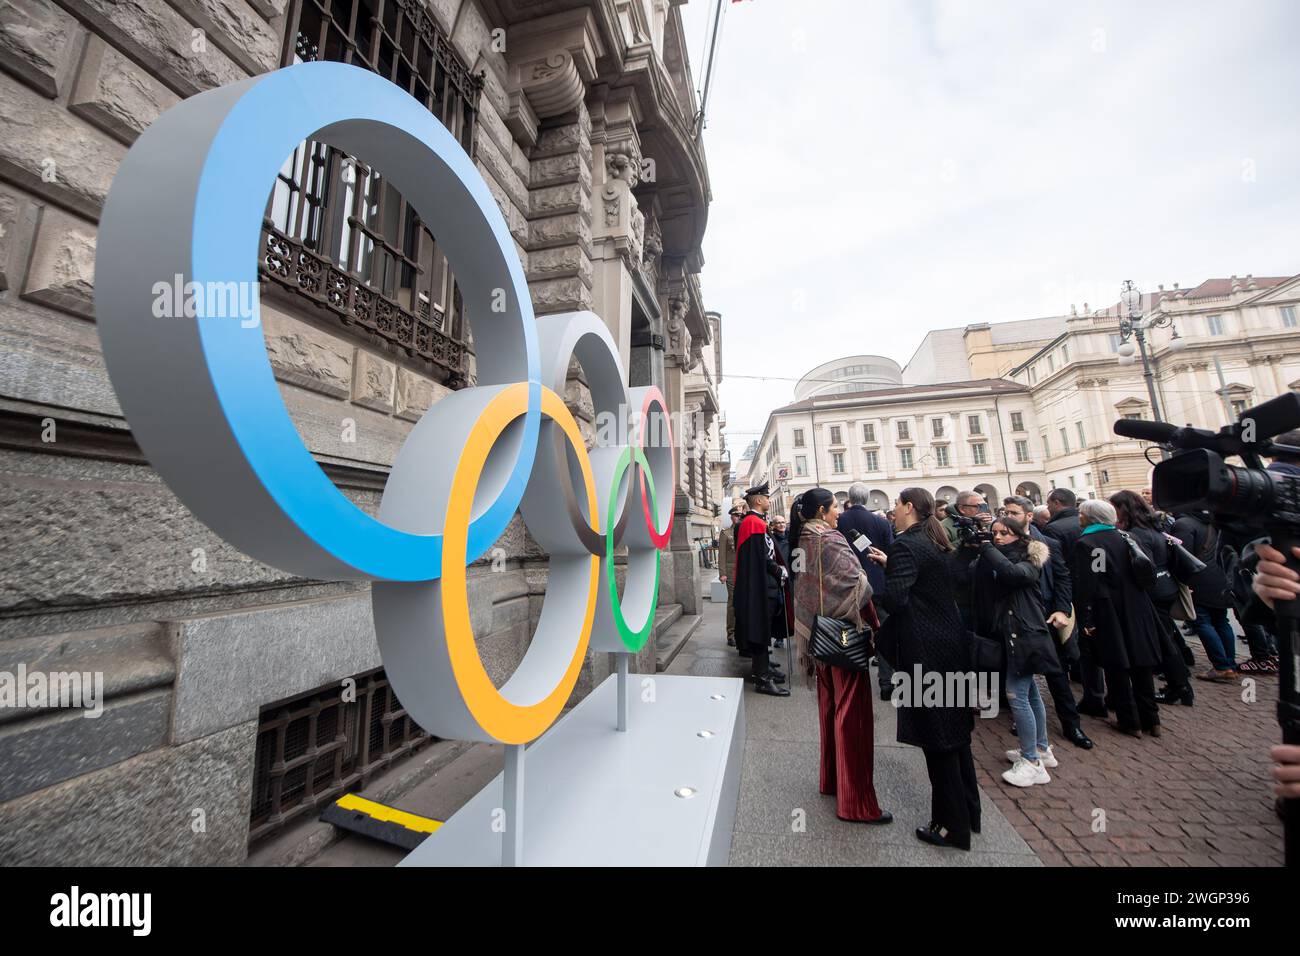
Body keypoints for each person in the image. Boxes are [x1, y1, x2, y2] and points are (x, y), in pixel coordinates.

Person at [867, 487, 976, 850]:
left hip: (926, 649)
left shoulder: (906, 545)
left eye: (896, 505)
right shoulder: (935, 541)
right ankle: (969, 813)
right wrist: (893, 565)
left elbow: (897, 599)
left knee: (937, 740)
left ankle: (949, 827)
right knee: (957, 734)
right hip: (951, 644)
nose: (892, 512)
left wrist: (873, 594)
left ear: (909, 507)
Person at [790, 488, 893, 825]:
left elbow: (806, 585)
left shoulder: (804, 535)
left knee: (831, 709)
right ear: (822, 509)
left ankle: (832, 780)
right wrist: (866, 581)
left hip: (818, 636)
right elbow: (856, 585)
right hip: (844, 635)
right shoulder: (830, 538)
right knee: (852, 718)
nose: (839, 513)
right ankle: (856, 803)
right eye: (835, 507)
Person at [972, 515, 1063, 786]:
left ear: (1020, 536)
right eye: (995, 532)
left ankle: (1031, 761)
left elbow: (1013, 575)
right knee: (1031, 692)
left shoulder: (1030, 559)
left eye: (1004, 533)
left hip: (1025, 636)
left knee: (1017, 695)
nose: (998, 537)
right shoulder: (1000, 557)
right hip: (1014, 634)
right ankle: (1041, 748)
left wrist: (987, 548)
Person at [1002, 496, 1093, 749]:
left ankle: (1071, 725)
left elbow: (1063, 578)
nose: (1009, 516)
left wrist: (1063, 610)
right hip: (1018, 619)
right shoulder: (1001, 543)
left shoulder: (1048, 542)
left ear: (1029, 516)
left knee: (1057, 675)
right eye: (1006, 512)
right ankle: (1025, 725)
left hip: (1047, 616)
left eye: (1014, 512)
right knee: (1021, 676)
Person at [1071, 499, 1165, 738]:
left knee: (1117, 664)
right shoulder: (1127, 537)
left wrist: (1085, 615)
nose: (1079, 517)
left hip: (1110, 610)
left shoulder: (1090, 542)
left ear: (1090, 518)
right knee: (1141, 662)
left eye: (1081, 514)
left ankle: (1129, 720)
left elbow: (1093, 579)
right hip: (1137, 607)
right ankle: (1151, 718)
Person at [1109, 490, 1195, 708]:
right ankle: (1181, 684)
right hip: (1166, 585)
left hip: (1154, 590)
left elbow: (1143, 566)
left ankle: (1180, 686)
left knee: (1163, 641)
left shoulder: (1136, 533)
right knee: (1168, 637)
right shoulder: (1153, 526)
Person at [1043, 488, 1107, 717]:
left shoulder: (1055, 529)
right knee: (1096, 643)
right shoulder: (1099, 534)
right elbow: (1099, 566)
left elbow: (1056, 568)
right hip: (1098, 594)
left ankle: (1092, 694)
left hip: (1072, 594)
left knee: (1074, 642)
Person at [838, 482, 895, 701]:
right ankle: (886, 682)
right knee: (883, 631)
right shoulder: (880, 522)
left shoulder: (839, 521)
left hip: (848, 582)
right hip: (877, 583)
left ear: (849, 498)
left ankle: (850, 679)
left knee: (848, 630)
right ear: (868, 498)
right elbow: (889, 552)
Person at [733, 483, 791, 697]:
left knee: (762, 626)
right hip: (758, 585)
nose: (768, 500)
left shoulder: (756, 522)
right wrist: (778, 570)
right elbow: (762, 558)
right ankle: (762, 677)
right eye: (766, 497)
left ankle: (763, 668)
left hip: (763, 583)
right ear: (758, 500)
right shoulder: (752, 523)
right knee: (759, 627)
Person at [1170, 508, 1239, 681]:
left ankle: (1221, 667)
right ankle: (1229, 664)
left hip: (1199, 580)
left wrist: (1181, 582)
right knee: (1221, 621)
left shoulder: (1183, 524)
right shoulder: (1212, 522)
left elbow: (1182, 556)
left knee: (1202, 621)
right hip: (1220, 577)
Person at [717, 502, 744, 647]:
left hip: (744, 571)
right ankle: (731, 633)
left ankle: (743, 632)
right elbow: (721, 555)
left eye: (741, 515)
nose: (738, 517)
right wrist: (722, 573)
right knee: (733, 602)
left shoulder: (746, 530)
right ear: (731, 517)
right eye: (736, 515)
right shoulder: (726, 533)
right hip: (731, 571)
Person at [769, 514, 792, 649]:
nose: (781, 525)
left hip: (791, 576)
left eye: (783, 522)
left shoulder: (790, 538)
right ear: (773, 525)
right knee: (780, 606)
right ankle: (779, 637)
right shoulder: (771, 540)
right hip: (778, 577)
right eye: (778, 523)